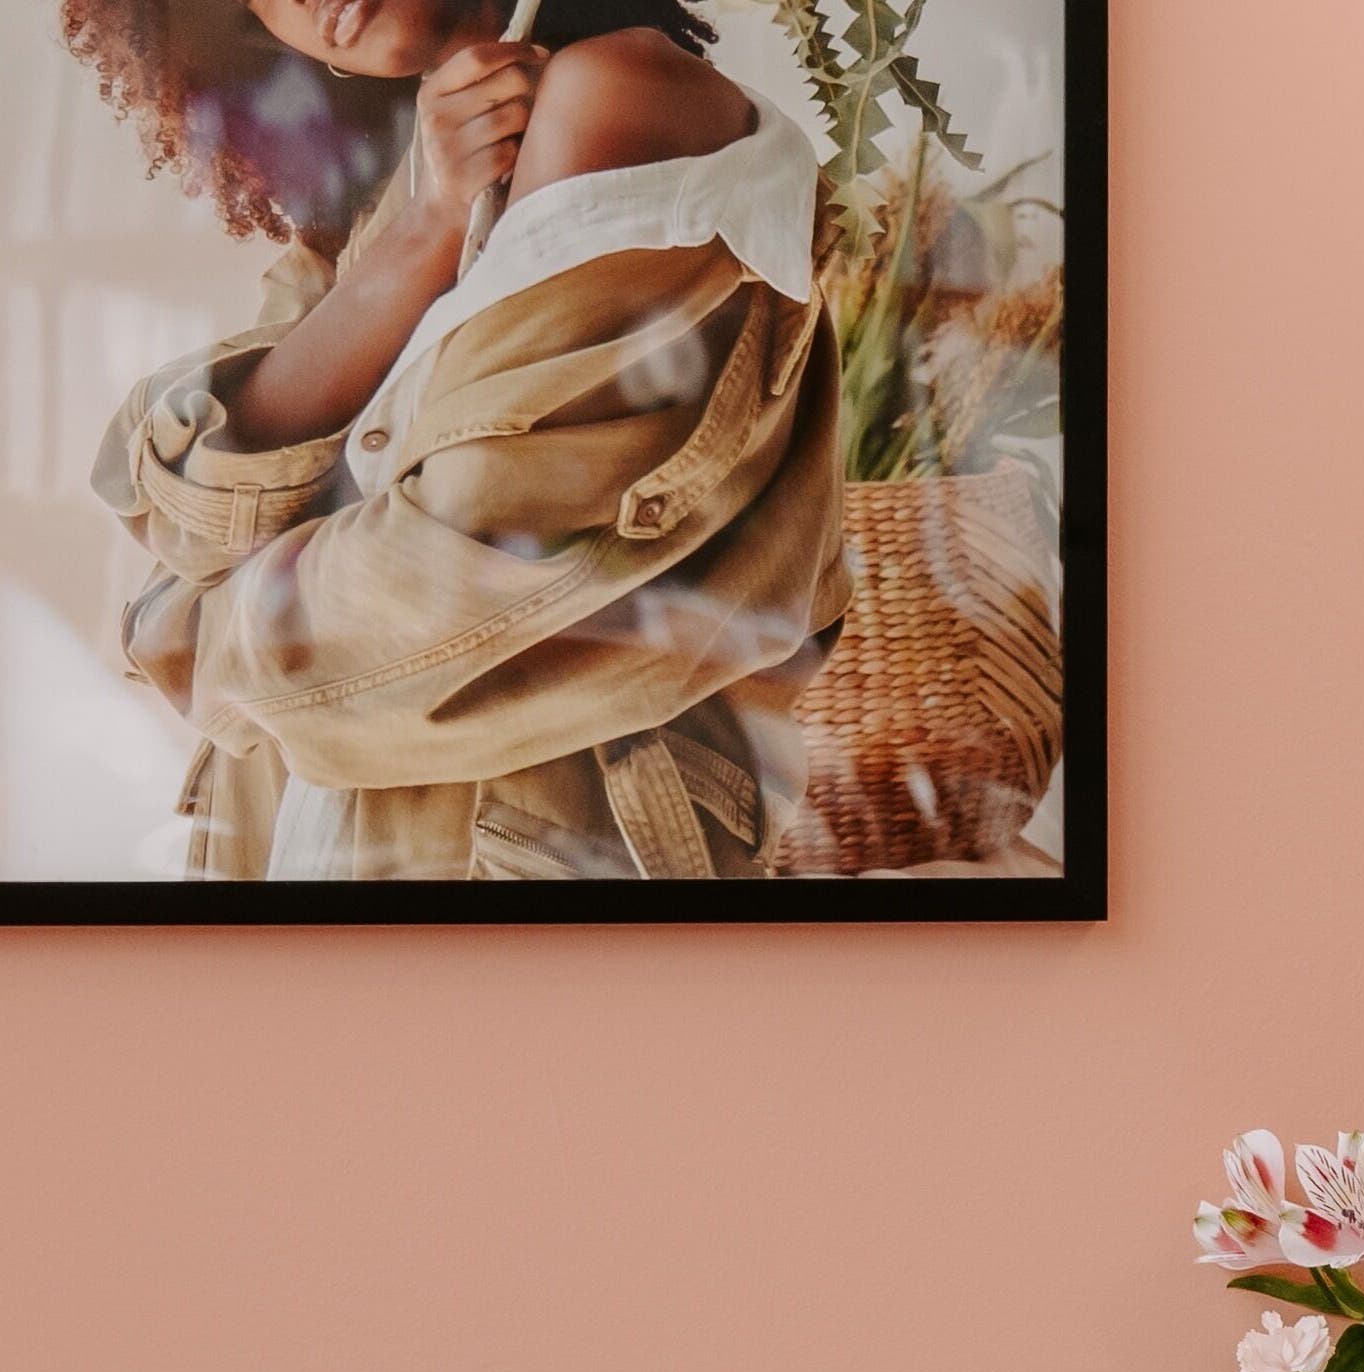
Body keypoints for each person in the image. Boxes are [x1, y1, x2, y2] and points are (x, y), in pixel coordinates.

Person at [63, 0, 850, 879]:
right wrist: (429, 225)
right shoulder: (390, 201)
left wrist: (185, 635)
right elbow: (184, 507)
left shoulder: (619, 95)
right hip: (305, 845)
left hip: (529, 866)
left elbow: (456, 573)